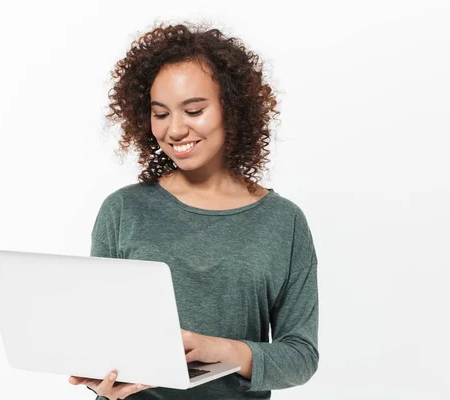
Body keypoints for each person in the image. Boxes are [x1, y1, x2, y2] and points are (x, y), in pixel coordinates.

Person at [68, 22, 319, 400]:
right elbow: (105, 336)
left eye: (194, 110)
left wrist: (229, 352)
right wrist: (101, 377)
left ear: (231, 110)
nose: (176, 130)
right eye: (161, 114)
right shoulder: (123, 210)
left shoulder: (284, 222)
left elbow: (301, 356)